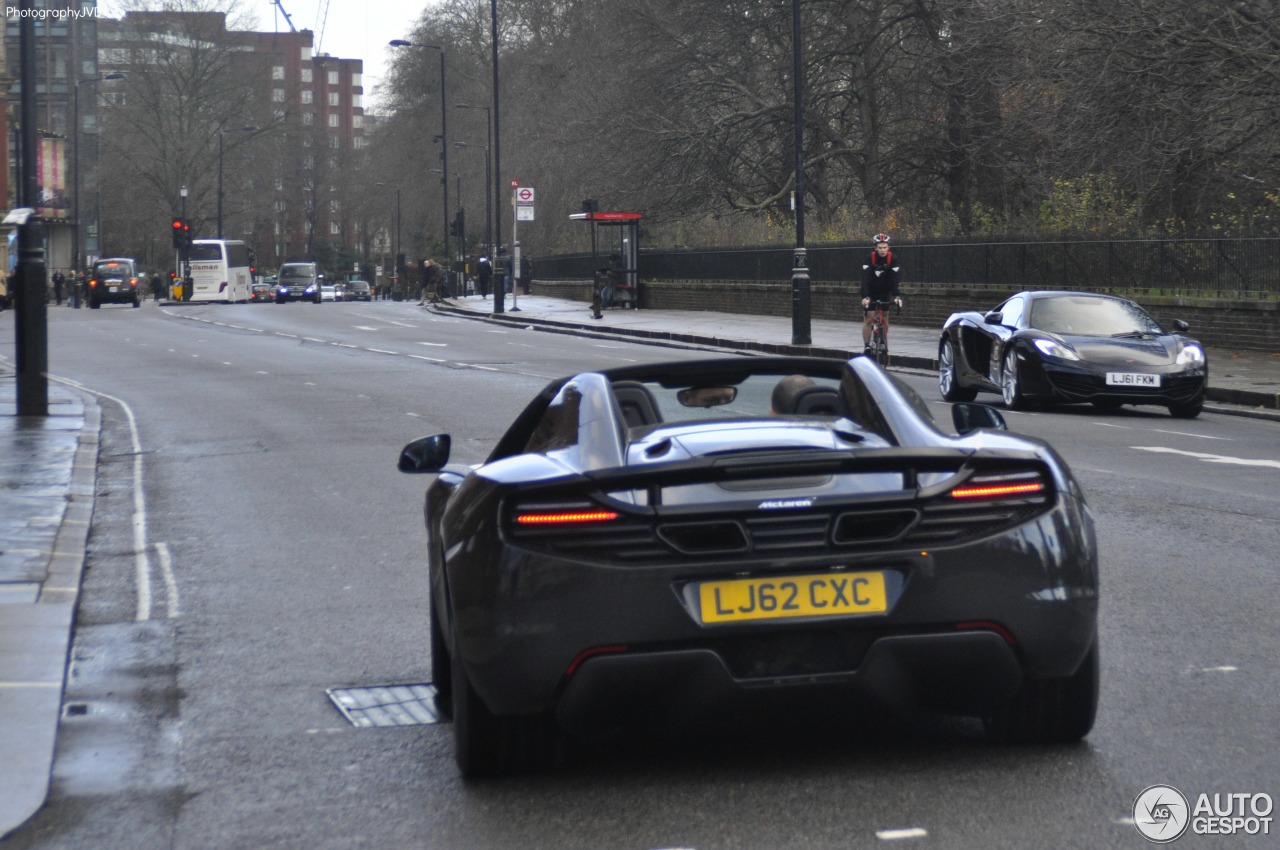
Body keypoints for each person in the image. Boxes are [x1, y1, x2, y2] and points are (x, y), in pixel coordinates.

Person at [860, 232, 903, 353]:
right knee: (869, 318)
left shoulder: (892, 259)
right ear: (875, 248)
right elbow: (865, 279)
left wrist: (896, 296)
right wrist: (865, 296)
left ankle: (883, 342)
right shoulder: (869, 259)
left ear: (888, 247)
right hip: (871, 291)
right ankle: (867, 345)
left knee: (884, 318)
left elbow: (895, 280)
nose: (882, 250)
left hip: (885, 291)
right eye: (880, 248)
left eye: (885, 247)